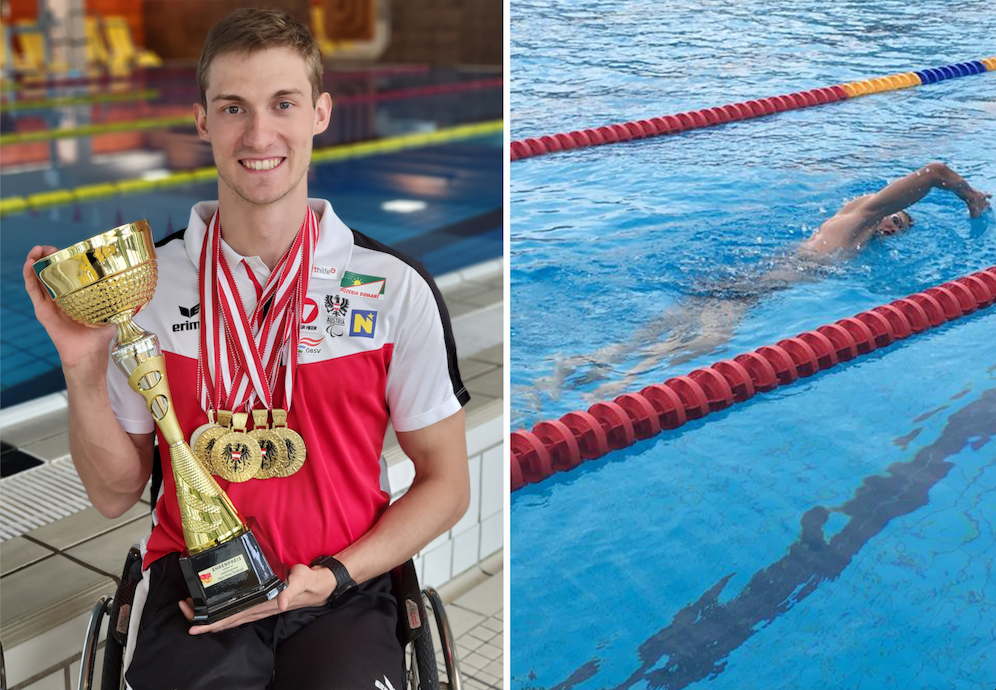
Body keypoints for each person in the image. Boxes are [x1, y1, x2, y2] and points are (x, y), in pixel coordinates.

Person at [23, 9, 470, 690]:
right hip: (191, 585)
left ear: (320, 113)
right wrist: (83, 366)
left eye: (282, 104)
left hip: (342, 588)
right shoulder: (148, 285)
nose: (259, 135)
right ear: (202, 121)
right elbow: (115, 496)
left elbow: (448, 484)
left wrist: (337, 575)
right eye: (234, 107)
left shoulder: (393, 291)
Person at [543, 162, 991, 402]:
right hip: (754, 289)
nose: (896, 226)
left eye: (901, 225)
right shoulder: (859, 220)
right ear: (884, 211)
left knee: (654, 331)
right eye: (898, 217)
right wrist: (969, 195)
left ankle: (576, 363)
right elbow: (933, 172)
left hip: (737, 279)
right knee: (709, 342)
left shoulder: (844, 223)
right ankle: (617, 386)